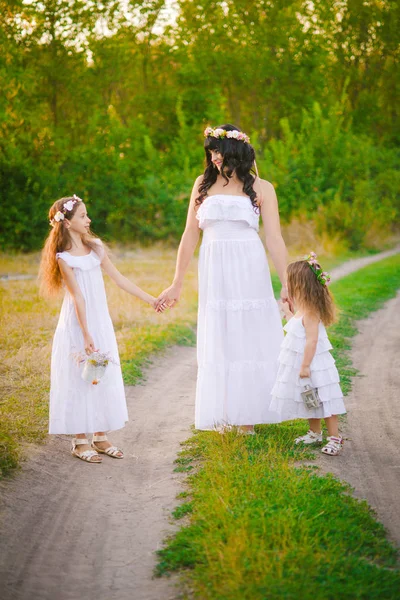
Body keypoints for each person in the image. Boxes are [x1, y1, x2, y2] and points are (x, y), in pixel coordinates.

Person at [156, 124, 289, 432]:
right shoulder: (202, 184)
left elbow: (275, 239)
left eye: (219, 151)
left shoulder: (262, 188)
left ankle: (247, 418)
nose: (214, 157)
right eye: (211, 151)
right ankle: (224, 412)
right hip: (215, 266)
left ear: (236, 152)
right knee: (221, 335)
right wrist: (177, 282)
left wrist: (286, 282)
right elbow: (190, 235)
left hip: (249, 265)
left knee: (248, 334)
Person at [39, 195, 159, 463]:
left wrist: (150, 299)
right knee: (79, 374)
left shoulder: (96, 248)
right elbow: (78, 297)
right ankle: (80, 440)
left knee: (101, 371)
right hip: (78, 323)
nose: (88, 220)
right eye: (82, 216)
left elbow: (119, 279)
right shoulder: (64, 257)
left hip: (100, 321)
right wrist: (86, 333)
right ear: (67, 223)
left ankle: (101, 436)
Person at [270, 253, 346, 455]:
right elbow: (295, 328)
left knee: (325, 399)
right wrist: (287, 311)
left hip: (313, 364)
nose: (288, 286)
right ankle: (315, 432)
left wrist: (304, 365)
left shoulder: (311, 311)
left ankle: (335, 437)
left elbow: (312, 341)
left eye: (290, 282)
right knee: (309, 398)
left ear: (301, 285)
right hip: (305, 363)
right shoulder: (302, 309)